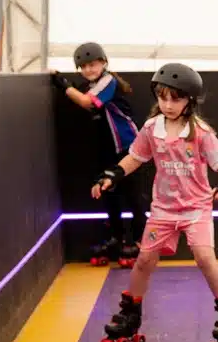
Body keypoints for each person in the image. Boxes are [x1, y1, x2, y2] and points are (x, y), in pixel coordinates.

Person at [91, 63, 218, 342]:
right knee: (144, 260)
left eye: (175, 99)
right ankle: (131, 314)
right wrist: (111, 175)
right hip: (163, 210)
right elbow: (134, 157)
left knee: (204, 257)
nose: (168, 105)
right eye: (163, 98)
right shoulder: (152, 129)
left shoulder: (199, 132)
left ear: (190, 100)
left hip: (195, 208)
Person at [52, 42, 147, 267]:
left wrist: (62, 83)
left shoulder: (108, 81)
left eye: (92, 65)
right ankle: (116, 238)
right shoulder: (92, 84)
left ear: (103, 63)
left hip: (127, 146)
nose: (88, 70)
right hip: (107, 145)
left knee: (131, 194)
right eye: (83, 66)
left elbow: (87, 102)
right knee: (109, 192)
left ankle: (140, 242)